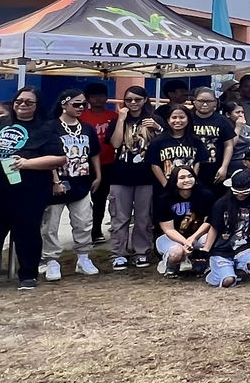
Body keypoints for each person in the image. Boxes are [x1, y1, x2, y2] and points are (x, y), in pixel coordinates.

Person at [0, 88, 67, 291]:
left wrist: (26, 163)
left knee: (27, 232)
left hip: (28, 191)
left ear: (37, 105)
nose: (22, 105)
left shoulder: (46, 127)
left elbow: (59, 158)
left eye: (28, 102)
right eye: (19, 101)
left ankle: (28, 275)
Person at [40, 88, 103, 281]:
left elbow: (94, 153)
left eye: (84, 104)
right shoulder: (50, 127)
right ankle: (51, 260)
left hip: (81, 182)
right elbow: (46, 155)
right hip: (56, 184)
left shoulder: (86, 128)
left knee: (84, 222)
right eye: (76, 104)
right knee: (51, 224)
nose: (81, 108)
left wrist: (98, 175)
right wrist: (55, 181)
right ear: (64, 104)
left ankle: (83, 257)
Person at [107, 87, 160, 268]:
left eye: (137, 99)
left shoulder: (154, 119)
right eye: (129, 100)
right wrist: (121, 119)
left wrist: (158, 128)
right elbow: (115, 143)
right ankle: (118, 253)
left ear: (145, 99)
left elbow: (165, 143)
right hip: (120, 175)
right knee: (119, 217)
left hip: (147, 176)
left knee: (143, 217)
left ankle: (141, 251)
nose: (133, 103)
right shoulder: (117, 120)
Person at [203, 169, 250, 287]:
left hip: (244, 247)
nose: (240, 194)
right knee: (228, 282)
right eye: (236, 191)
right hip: (221, 249)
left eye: (244, 191)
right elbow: (214, 228)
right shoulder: (221, 204)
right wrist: (206, 250)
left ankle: (236, 268)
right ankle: (214, 272)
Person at [151, 165, 215, 278]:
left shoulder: (206, 195)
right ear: (174, 180)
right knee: (177, 252)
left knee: (210, 240)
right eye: (182, 178)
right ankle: (171, 266)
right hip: (170, 237)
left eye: (190, 176)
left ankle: (201, 263)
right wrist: (186, 242)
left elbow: (208, 222)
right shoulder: (164, 199)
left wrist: (193, 238)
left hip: (196, 235)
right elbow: (168, 229)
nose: (187, 180)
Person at [78, 83, 118, 244]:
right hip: (83, 164)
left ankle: (96, 231)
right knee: (81, 201)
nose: (98, 99)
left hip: (108, 163)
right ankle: (82, 232)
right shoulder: (81, 117)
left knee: (100, 200)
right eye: (94, 96)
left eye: (101, 95)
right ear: (87, 99)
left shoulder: (114, 117)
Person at [147, 104, 211, 187]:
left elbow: (197, 163)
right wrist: (165, 184)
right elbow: (154, 165)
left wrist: (192, 180)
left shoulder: (196, 140)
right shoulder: (158, 141)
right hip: (166, 186)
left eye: (181, 117)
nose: (177, 121)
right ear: (168, 120)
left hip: (190, 185)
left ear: (188, 119)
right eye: (174, 117)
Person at [186, 87, 237, 185]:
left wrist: (224, 167)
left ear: (215, 103)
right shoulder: (187, 119)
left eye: (209, 101)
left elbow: (229, 145)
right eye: (201, 101)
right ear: (194, 101)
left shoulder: (222, 120)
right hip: (190, 167)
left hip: (214, 168)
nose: (205, 104)